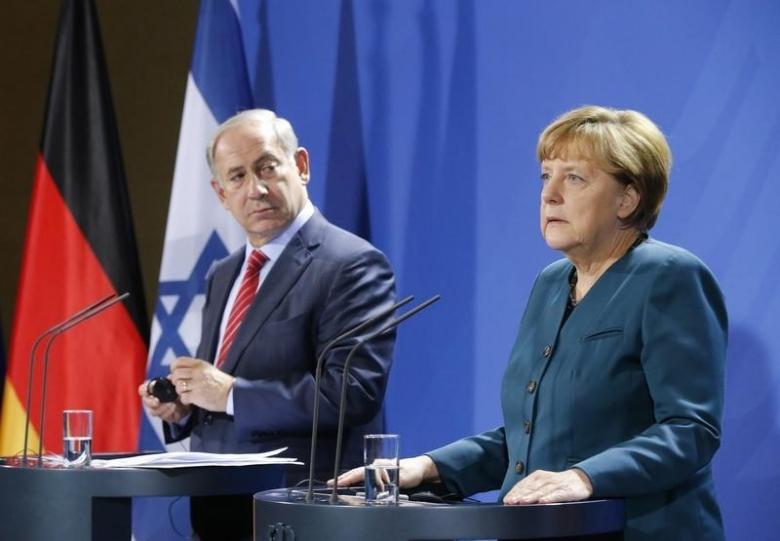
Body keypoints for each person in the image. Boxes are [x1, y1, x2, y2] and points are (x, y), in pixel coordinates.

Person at [337, 106, 727, 541]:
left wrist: (584, 477)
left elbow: (690, 431)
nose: (550, 195)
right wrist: (428, 467)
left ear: (627, 198)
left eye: (574, 178)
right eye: (546, 176)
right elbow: (530, 437)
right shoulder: (552, 283)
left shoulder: (668, 276)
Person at [139, 109, 397, 540]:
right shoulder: (223, 273)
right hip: (219, 509)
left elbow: (351, 394)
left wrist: (228, 393)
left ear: (300, 166)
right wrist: (185, 407)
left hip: (300, 510)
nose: (255, 189)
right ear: (220, 194)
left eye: (266, 167)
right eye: (237, 177)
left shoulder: (352, 264)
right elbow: (225, 385)